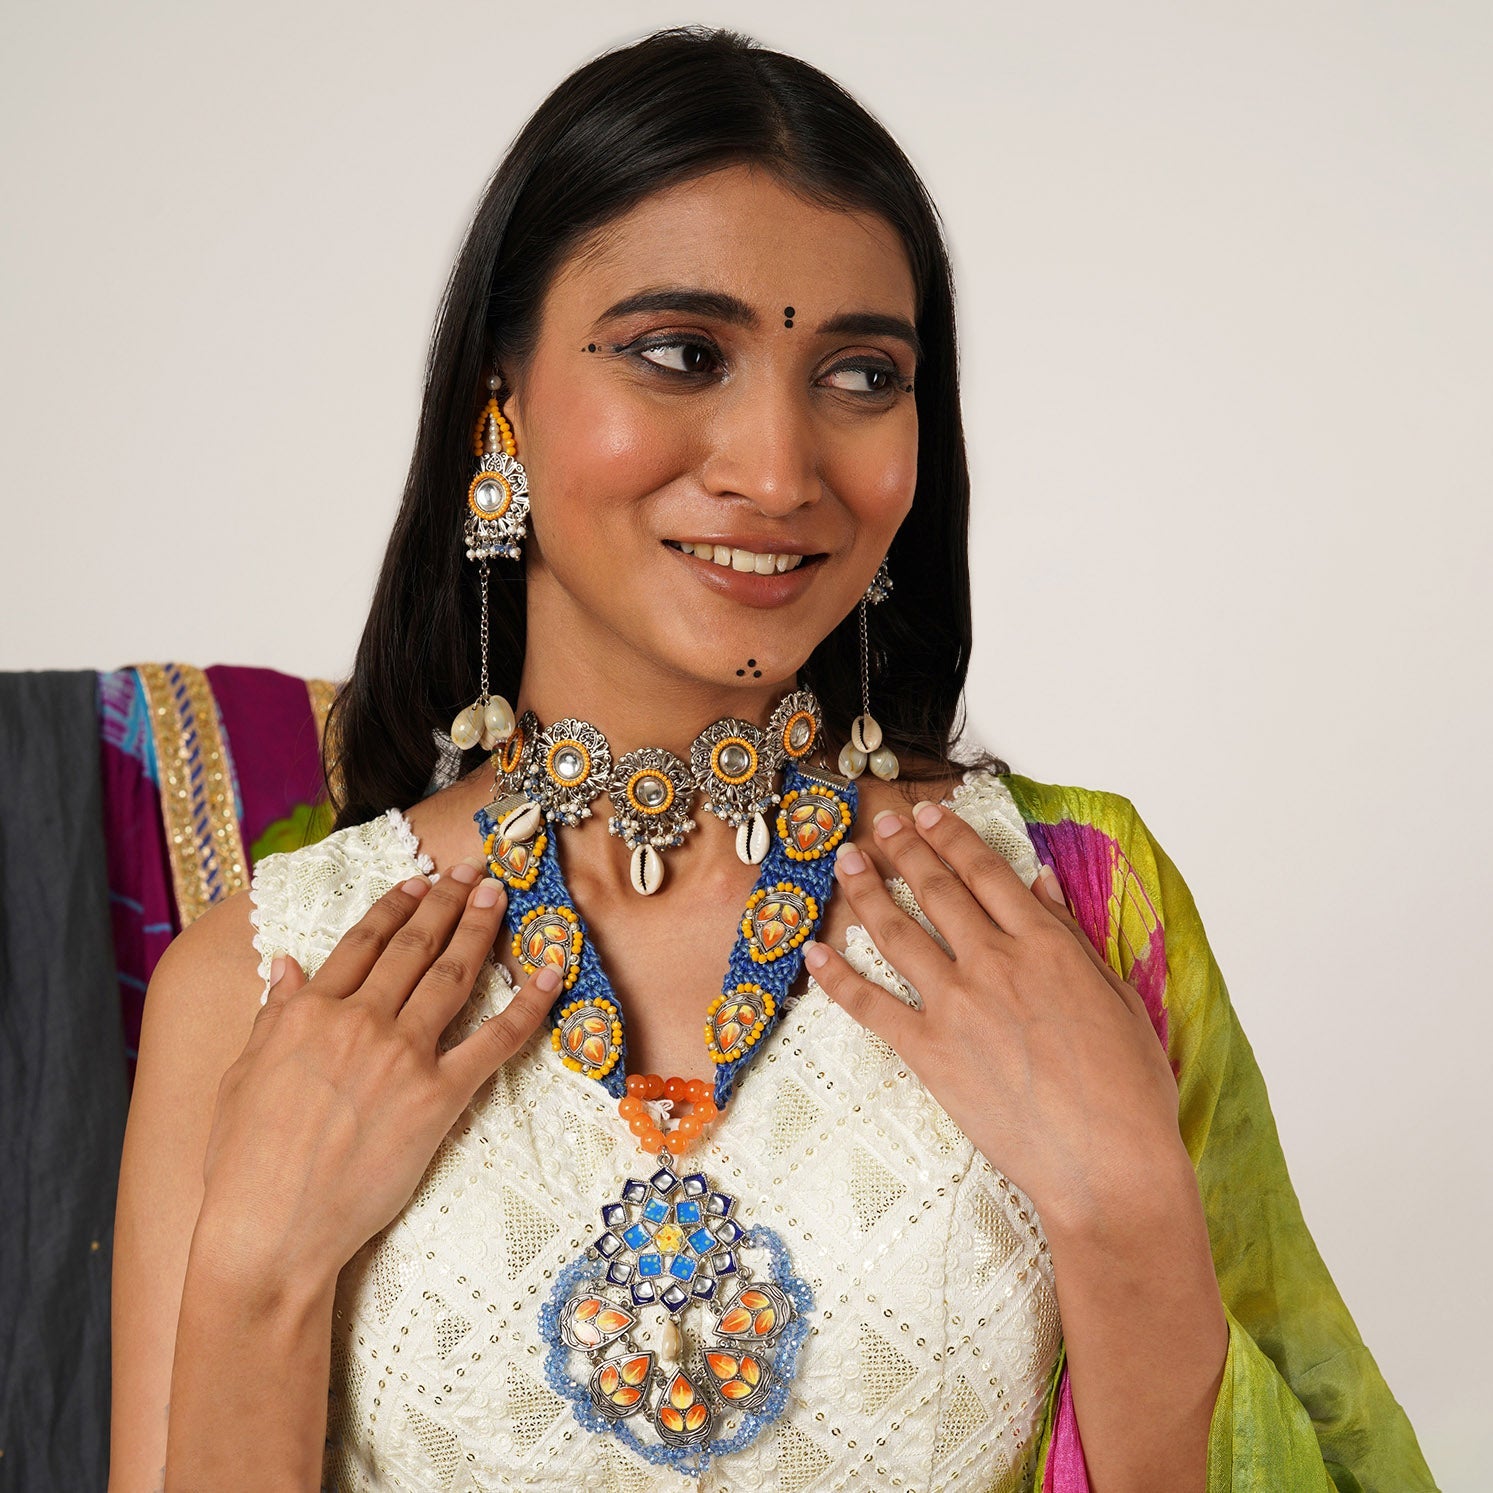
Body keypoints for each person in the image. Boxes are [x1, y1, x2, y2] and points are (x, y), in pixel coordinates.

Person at [109, 25, 1438, 1493]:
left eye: (861, 375)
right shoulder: (263, 976)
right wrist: (257, 1275)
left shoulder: (1070, 903)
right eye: (684, 354)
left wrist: (1124, 1208)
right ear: (502, 397)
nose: (779, 469)